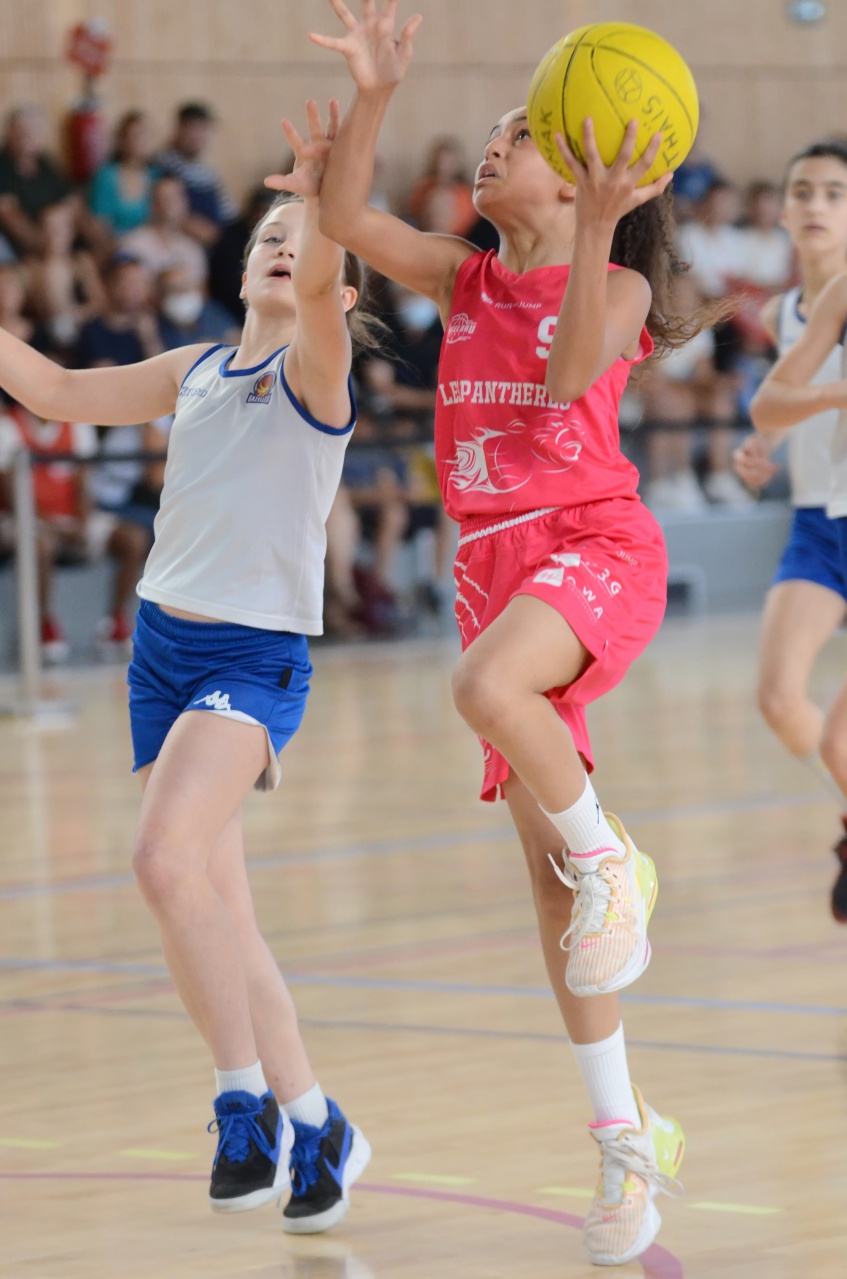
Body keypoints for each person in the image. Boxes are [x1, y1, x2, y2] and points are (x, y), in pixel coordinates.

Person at [274, 1, 703, 1265]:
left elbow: (568, 378)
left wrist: (601, 226)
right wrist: (373, 95)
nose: (494, 145)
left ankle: (617, 858)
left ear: (578, 180)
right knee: (553, 893)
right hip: (493, 567)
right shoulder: (459, 273)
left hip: (594, 545)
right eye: (499, 130)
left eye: (523, 134)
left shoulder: (618, 283)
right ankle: (627, 1143)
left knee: (484, 692)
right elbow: (345, 219)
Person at [0, 98, 371, 1230]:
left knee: (163, 861)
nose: (282, 247)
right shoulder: (199, 366)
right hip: (161, 649)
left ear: (339, 289)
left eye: (302, 244)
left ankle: (238, 1097)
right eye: (267, 236)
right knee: (217, 911)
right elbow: (58, 393)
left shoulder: (318, 370)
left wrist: (324, 191)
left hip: (251, 657)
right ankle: (317, 1121)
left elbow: (319, 276)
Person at [745, 138, 847, 919]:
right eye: (801, 192)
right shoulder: (789, 310)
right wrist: (766, 443)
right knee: (779, 699)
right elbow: (775, 402)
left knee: (838, 738)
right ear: (780, 210)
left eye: (832, 194)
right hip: (820, 518)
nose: (814, 206)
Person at [155, 102, 238, 248]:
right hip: (178, 245)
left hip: (215, 245)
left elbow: (230, 214)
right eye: (194, 128)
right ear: (179, 129)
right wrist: (191, 226)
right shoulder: (163, 165)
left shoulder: (208, 174)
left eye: (204, 129)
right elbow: (164, 210)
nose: (199, 136)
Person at [88, 110, 160, 239]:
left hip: (151, 242)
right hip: (117, 243)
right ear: (122, 140)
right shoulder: (106, 176)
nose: (142, 141)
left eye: (146, 134)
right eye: (136, 135)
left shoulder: (157, 175)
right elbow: (100, 224)